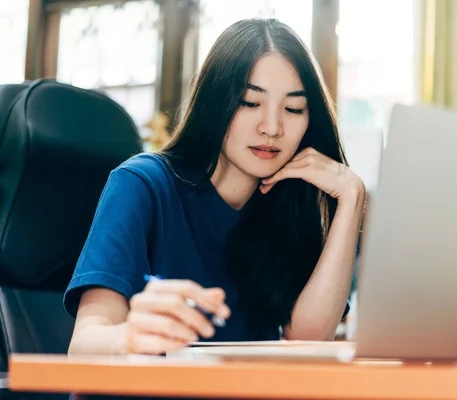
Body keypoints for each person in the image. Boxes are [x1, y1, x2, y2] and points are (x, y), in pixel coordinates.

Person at [65, 18, 365, 356]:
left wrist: (352, 199)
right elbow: (84, 346)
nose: (272, 127)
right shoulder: (142, 184)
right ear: (215, 101)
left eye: (293, 108)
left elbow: (308, 340)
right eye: (250, 103)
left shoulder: (289, 204)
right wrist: (130, 336)